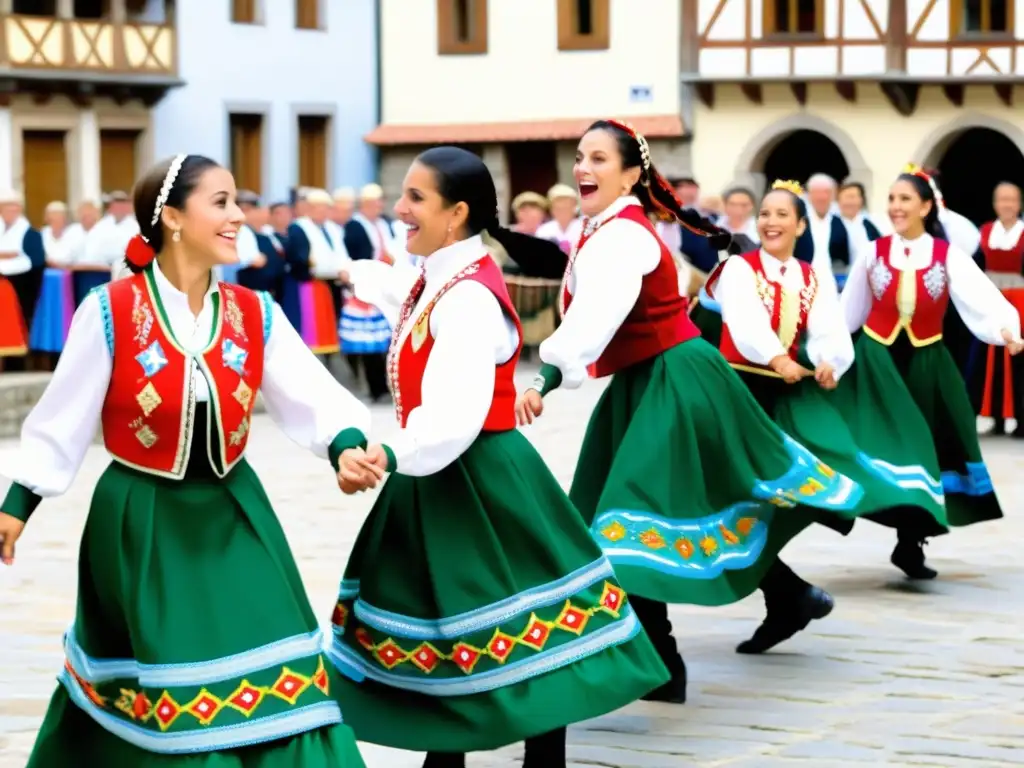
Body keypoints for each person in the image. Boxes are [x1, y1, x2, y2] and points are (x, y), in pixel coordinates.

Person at [0, 154, 377, 767]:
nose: (238, 216)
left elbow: (312, 395)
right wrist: (18, 505)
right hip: (143, 522)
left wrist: (344, 447)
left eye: (237, 203)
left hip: (235, 514)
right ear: (172, 218)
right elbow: (60, 419)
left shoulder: (255, 313)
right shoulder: (110, 311)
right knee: (171, 685)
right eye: (221, 203)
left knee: (280, 665)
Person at [327, 147, 668, 768]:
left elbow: (454, 414)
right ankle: (454, 751)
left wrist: (387, 452)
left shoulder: (468, 299)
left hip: (476, 473)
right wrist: (360, 273)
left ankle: (538, 754)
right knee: (445, 617)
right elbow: (407, 293)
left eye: (414, 200)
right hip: (443, 474)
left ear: (456, 214)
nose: (400, 210)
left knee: (511, 619)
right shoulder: (443, 278)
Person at [516, 120, 862, 702]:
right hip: (646, 380)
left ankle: (666, 664)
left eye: (598, 159)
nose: (582, 168)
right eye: (579, 157)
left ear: (631, 174)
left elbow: (596, 315)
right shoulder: (603, 228)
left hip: (674, 378)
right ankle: (787, 595)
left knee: (632, 517)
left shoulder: (625, 235)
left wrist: (547, 374)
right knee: (653, 508)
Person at [705, 180, 946, 652]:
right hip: (738, 392)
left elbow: (829, 329)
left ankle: (800, 588)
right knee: (729, 500)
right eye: (764, 213)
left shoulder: (809, 276)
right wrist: (777, 358)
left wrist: (831, 361)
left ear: (799, 225)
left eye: (781, 215)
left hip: (787, 394)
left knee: (821, 472)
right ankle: (789, 597)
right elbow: (745, 322)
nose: (770, 222)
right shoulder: (738, 267)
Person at [835, 165, 1023, 579]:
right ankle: (855, 511)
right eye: (892, 199)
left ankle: (910, 541)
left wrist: (1005, 328)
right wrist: (827, 356)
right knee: (889, 444)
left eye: (905, 199)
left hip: (925, 364)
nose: (896, 207)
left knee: (930, 448)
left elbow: (980, 298)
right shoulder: (873, 251)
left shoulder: (946, 255)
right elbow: (848, 311)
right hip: (878, 362)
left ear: (925, 206)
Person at [975, 181, 1024, 437]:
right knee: (988, 358)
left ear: (1019, 203)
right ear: (995, 203)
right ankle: (994, 416)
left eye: (1012, 200)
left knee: (1018, 360)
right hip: (991, 300)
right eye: (1002, 199)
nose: (1007, 205)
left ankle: (1021, 420)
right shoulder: (983, 232)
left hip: (1020, 301)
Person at [283, 188, 347, 356]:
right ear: (310, 208)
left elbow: (341, 254)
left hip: (331, 284)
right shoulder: (298, 228)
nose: (324, 212)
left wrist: (344, 269)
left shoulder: (331, 228)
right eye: (320, 208)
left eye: (326, 208)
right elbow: (303, 260)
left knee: (328, 329)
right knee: (310, 330)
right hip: (308, 285)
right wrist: (334, 270)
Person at [0, 189, 44, 370]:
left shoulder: (29, 233)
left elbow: (36, 260)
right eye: (5, 209)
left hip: (21, 286)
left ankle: (16, 364)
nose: (9, 212)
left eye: (13, 209)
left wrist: (11, 259)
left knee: (20, 323)